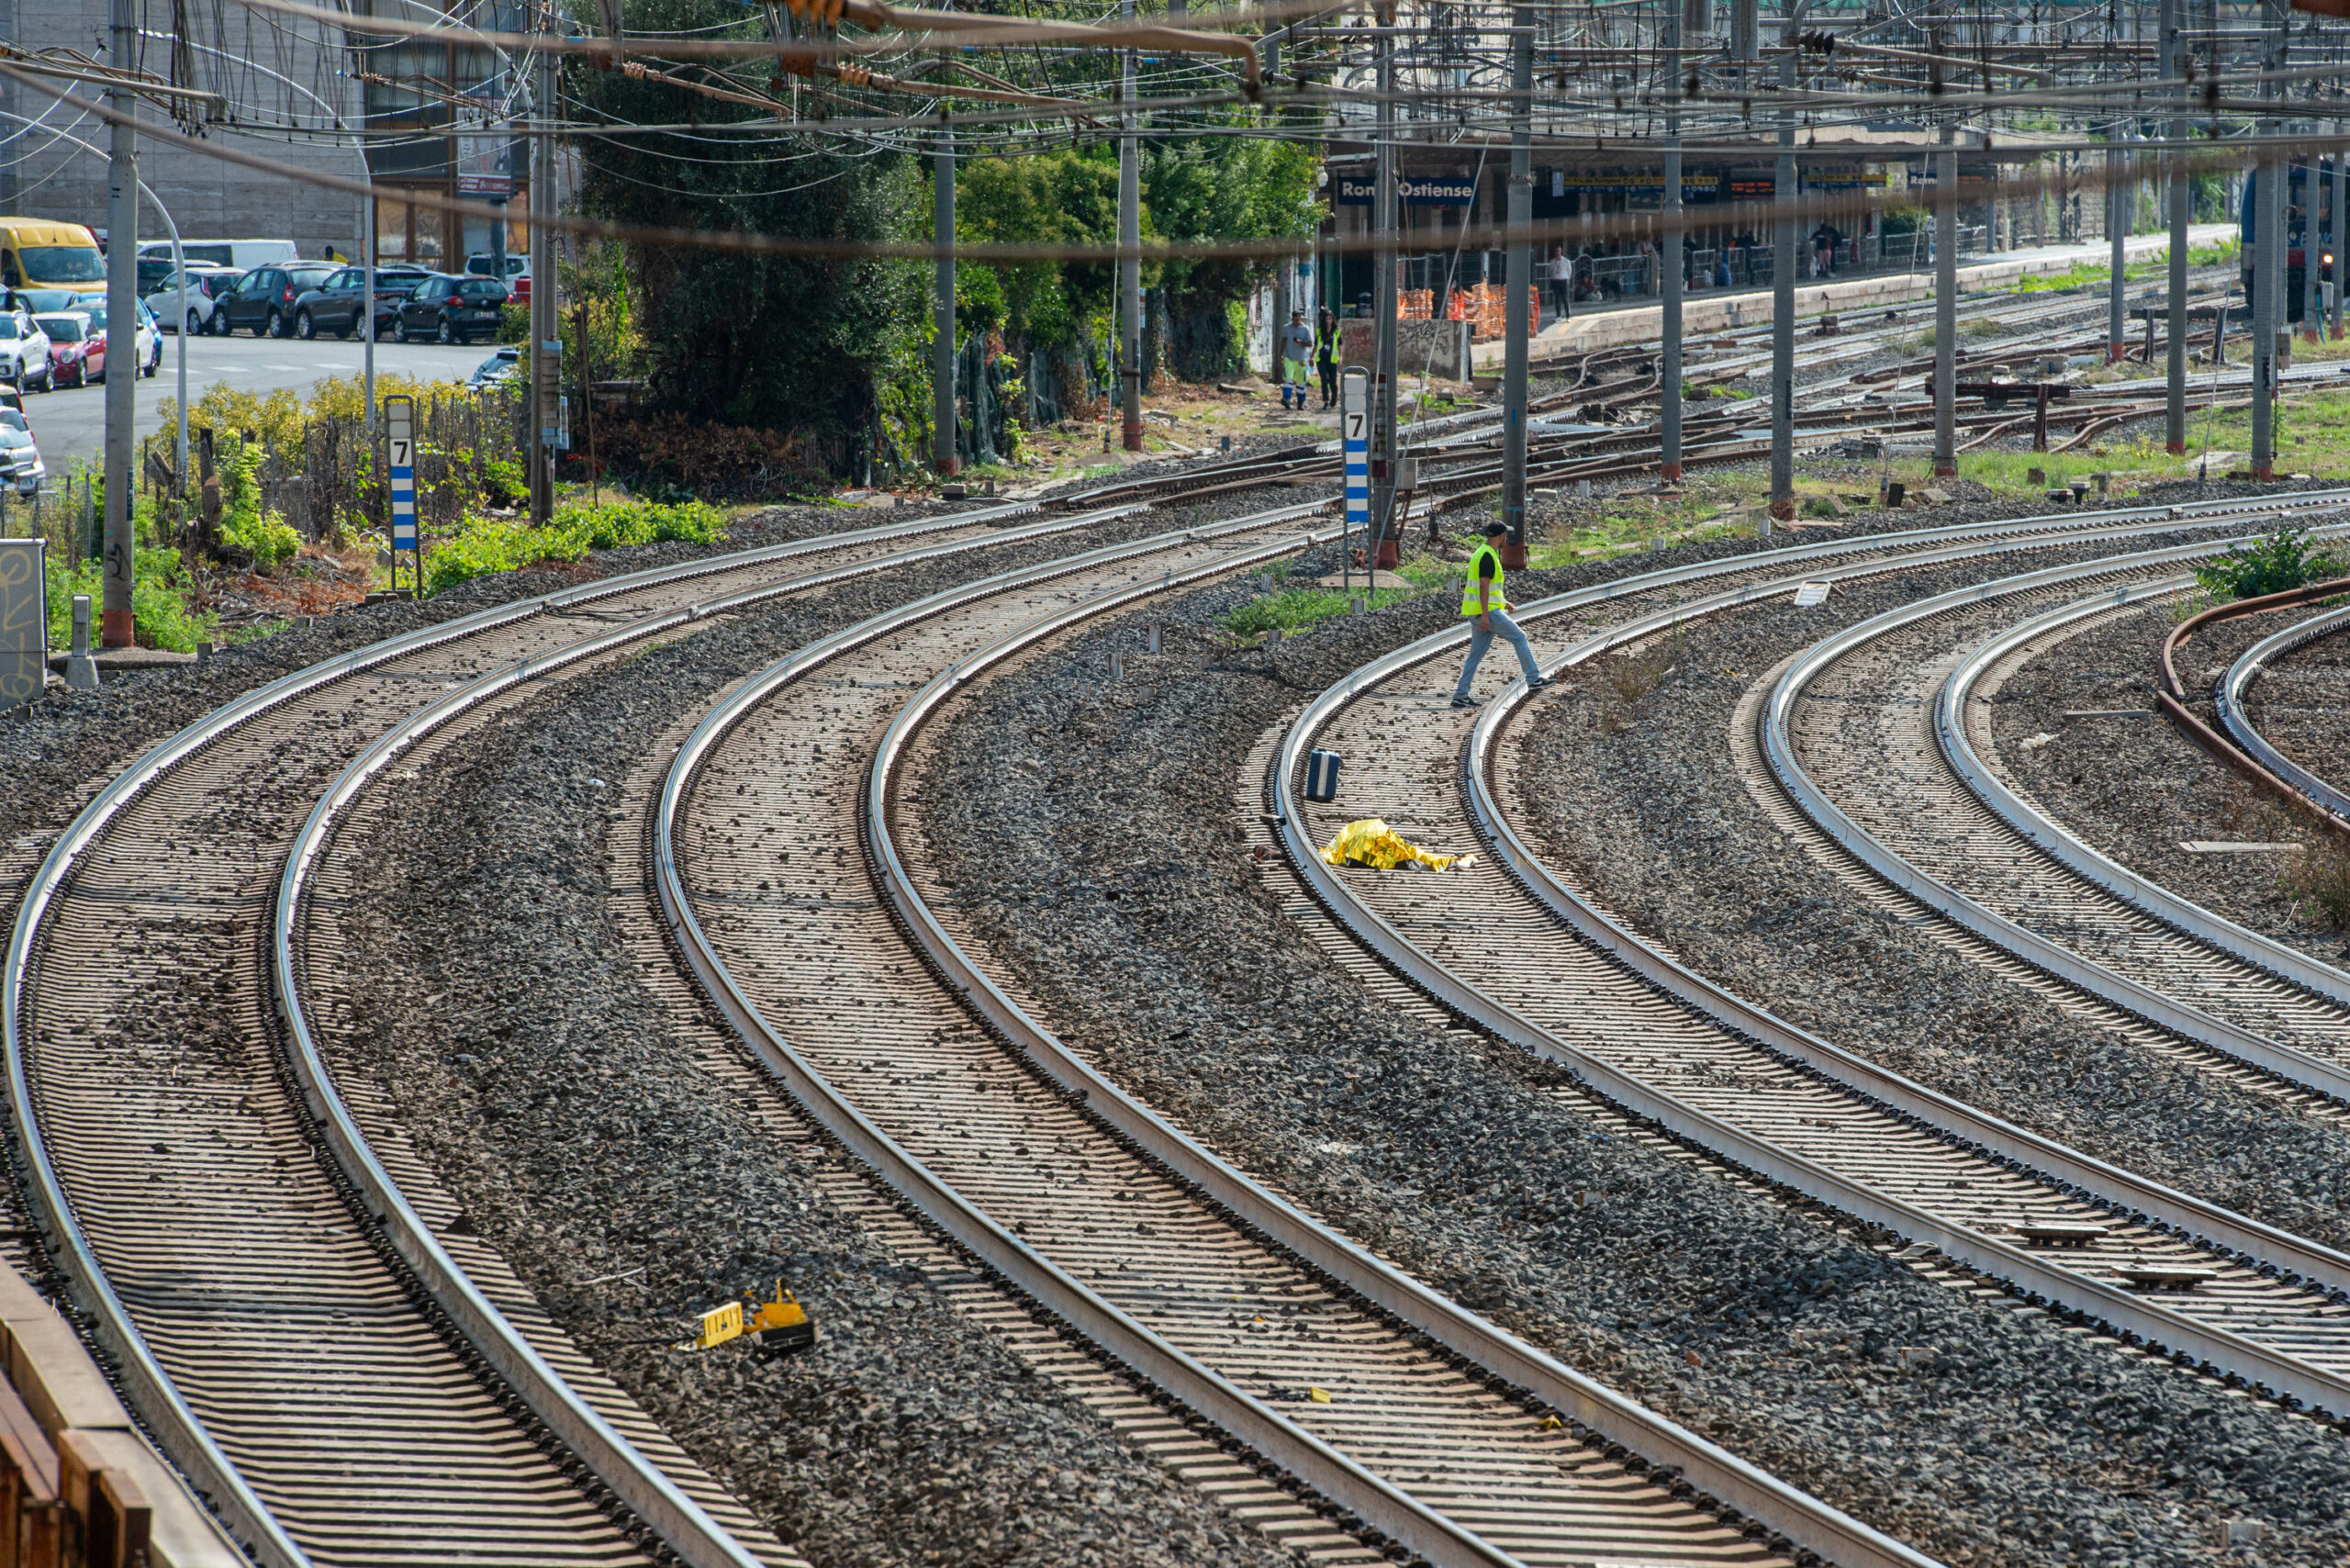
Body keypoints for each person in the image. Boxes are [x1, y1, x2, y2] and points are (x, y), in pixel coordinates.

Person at [1451, 520, 1550, 710]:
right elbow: (1483, 585)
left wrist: (1504, 602)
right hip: (1487, 612)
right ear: (1501, 536)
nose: (1506, 538)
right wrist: (1487, 615)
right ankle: (1533, 679)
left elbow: (1490, 588)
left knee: (1475, 655)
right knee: (1520, 637)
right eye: (1505, 535)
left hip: (1478, 611)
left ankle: (1460, 696)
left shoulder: (1481, 552)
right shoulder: (1488, 556)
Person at [1280, 308, 1315, 409]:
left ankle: (1301, 402)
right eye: (1294, 320)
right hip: (1288, 357)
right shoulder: (1287, 328)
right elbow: (1284, 340)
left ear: (1300, 319)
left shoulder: (1305, 329)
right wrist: (1281, 354)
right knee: (1288, 379)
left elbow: (1310, 343)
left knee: (1301, 381)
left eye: (1297, 320)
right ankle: (1286, 399)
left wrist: (1301, 342)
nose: (1295, 322)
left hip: (1301, 359)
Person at [1315, 307, 1339, 409]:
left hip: (1332, 360)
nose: (1328, 321)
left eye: (1330, 319)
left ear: (1333, 320)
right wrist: (1311, 357)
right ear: (1324, 320)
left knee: (1332, 382)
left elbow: (1340, 346)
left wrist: (1341, 358)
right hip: (1321, 359)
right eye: (1326, 319)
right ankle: (1326, 401)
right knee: (1324, 379)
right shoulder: (1320, 332)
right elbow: (1316, 345)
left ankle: (1334, 395)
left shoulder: (1336, 333)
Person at [1547, 244, 1572, 320]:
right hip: (1555, 281)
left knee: (1565, 298)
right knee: (1557, 299)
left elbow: (1569, 271)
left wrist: (1567, 278)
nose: (1557, 253)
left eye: (1559, 251)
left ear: (1561, 251)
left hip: (1563, 281)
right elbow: (1550, 271)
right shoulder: (1552, 262)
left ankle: (1568, 316)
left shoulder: (1566, 261)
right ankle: (1558, 316)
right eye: (1556, 251)